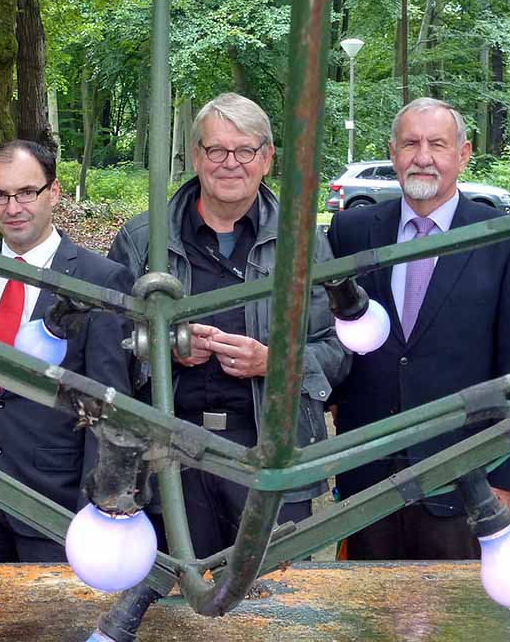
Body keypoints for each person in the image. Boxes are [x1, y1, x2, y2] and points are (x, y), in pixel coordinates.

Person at [107, 93, 349, 559]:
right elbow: (106, 346)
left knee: (277, 608)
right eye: (216, 150)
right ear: (196, 156)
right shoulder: (144, 240)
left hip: (270, 453)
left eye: (245, 151)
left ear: (267, 158)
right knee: (178, 607)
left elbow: (341, 347)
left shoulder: (305, 245)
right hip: (168, 456)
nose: (230, 163)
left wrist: (273, 363)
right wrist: (164, 350)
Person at [326, 97, 510, 560]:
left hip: (464, 474)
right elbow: (332, 338)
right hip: (369, 474)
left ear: (463, 155)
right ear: (393, 152)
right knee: (365, 618)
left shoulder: (504, 238)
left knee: (454, 619)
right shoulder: (350, 231)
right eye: (411, 143)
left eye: (437, 144)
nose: (423, 156)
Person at [0, 139, 133, 563]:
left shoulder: (99, 280)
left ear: (53, 193)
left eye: (25, 193)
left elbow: (110, 401)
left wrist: (97, 501)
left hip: (51, 499)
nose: (12, 207)